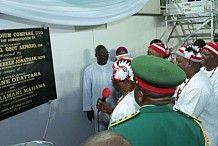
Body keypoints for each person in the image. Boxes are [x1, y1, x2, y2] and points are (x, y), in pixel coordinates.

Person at [109, 55, 207, 146]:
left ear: (140, 95)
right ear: (171, 93)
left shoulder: (121, 131)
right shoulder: (194, 128)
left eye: (136, 87)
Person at [173, 44, 218, 146]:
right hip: (194, 136)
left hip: (204, 139)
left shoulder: (199, 87)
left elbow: (185, 118)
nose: (175, 64)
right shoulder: (191, 77)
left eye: (179, 61)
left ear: (189, 62)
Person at [83, 45, 117, 132]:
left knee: (115, 129)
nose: (105, 55)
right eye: (102, 53)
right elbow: (86, 90)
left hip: (113, 104)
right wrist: (88, 108)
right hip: (98, 106)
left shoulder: (114, 66)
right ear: (96, 55)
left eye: (106, 53)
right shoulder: (89, 70)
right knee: (100, 132)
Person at [96, 57, 140, 127]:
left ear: (123, 80)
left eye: (113, 75)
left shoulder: (126, 107)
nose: (111, 79)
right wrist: (110, 111)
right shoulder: (132, 95)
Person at [200, 42, 218, 146]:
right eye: (202, 53)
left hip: (211, 121)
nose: (201, 57)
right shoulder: (201, 71)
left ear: (215, 58)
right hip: (199, 120)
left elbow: (215, 100)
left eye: (205, 54)